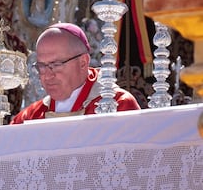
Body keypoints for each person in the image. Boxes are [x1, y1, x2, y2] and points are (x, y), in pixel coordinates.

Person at [10, 22, 141, 124]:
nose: (47, 76)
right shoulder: (29, 117)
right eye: (41, 66)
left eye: (56, 65)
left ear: (83, 62)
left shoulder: (118, 105)